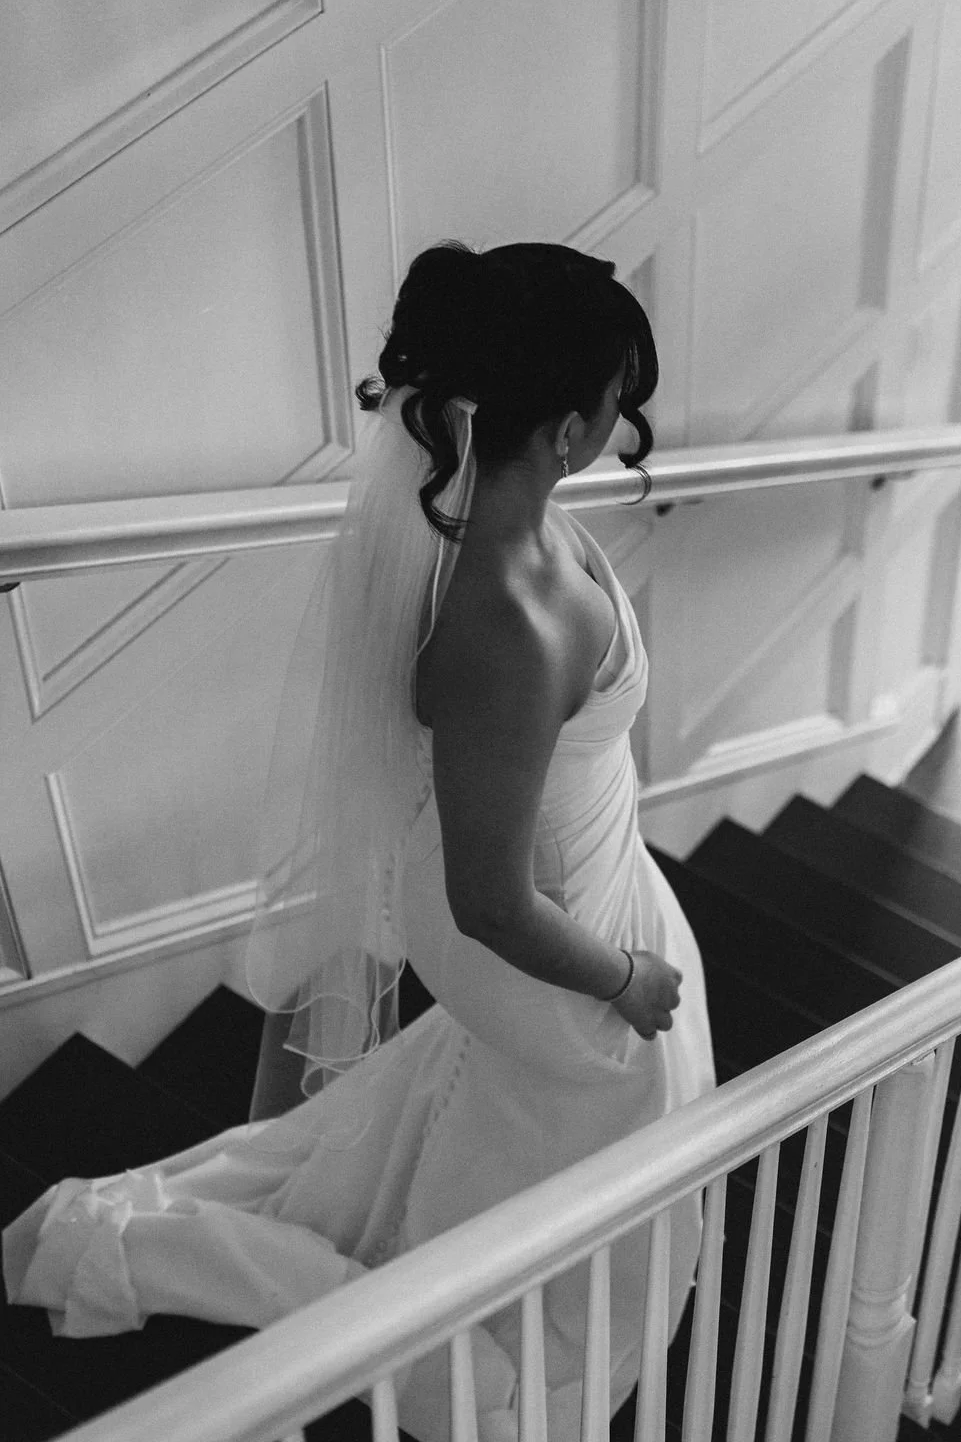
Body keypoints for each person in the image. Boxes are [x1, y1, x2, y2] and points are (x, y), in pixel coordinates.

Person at [2, 241, 715, 1442]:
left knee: (513, 1114)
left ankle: (447, 1206)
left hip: (572, 882)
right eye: (616, 399)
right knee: (620, 1100)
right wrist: (628, 977)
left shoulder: (493, 530)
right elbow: (490, 902)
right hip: (540, 932)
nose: (624, 421)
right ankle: (337, 1287)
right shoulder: (508, 619)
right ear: (564, 430)